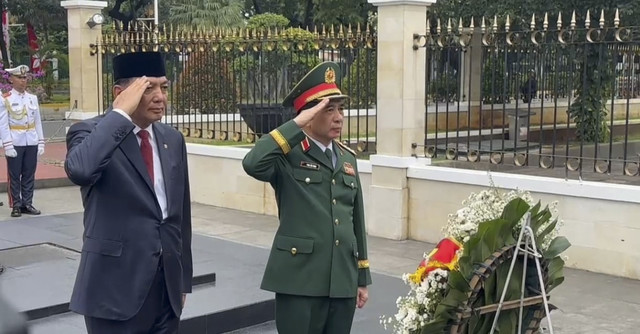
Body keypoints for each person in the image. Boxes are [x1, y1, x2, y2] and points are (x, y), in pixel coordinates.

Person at [64, 51, 193, 334]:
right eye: (148, 89)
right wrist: (120, 113)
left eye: (164, 87)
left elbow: (179, 217)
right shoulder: (89, 132)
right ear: (120, 93)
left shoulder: (171, 139)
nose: (160, 97)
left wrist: (182, 281)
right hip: (114, 290)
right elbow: (81, 170)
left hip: (166, 288)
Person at [242, 61, 372, 334]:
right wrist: (295, 124)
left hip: (342, 280)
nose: (338, 117)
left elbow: (355, 219)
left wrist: (361, 277)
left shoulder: (348, 158)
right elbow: (253, 163)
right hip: (300, 279)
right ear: (309, 114)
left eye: (340, 109)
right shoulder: (288, 155)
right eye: (328, 109)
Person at [0, 64, 44, 217]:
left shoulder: (32, 98)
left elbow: (37, 121)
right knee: (14, 175)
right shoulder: (6, 99)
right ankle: (16, 205)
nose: (23, 81)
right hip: (15, 141)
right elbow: (3, 124)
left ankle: (27, 203)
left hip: (30, 140)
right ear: (11, 79)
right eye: (19, 77)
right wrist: (7, 145)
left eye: (25, 77)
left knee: (29, 174)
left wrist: (41, 142)